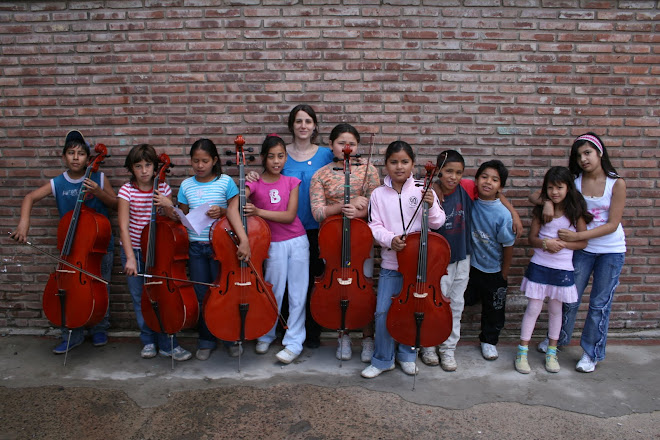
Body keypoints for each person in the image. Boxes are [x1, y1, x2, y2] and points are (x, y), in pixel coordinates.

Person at [11, 130, 117, 354]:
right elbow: (30, 197)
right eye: (71, 153)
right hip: (71, 248)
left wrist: (98, 192)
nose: (76, 157)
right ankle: (71, 332)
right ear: (64, 157)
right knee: (68, 289)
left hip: (99, 245)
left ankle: (99, 327)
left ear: (89, 159)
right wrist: (24, 223)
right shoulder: (58, 182)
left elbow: (115, 204)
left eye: (80, 153)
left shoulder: (98, 178)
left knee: (100, 286)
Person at [532, 133, 626, 373]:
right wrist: (548, 203)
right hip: (581, 251)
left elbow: (612, 224)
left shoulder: (616, 183)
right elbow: (537, 195)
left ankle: (591, 353)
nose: (584, 159)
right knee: (569, 299)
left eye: (588, 153)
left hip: (610, 251)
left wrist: (577, 237)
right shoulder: (573, 182)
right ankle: (559, 339)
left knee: (598, 305)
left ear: (600, 153)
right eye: (579, 155)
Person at [421, 150, 523, 371]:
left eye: (458, 172)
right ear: (438, 171)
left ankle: (448, 349)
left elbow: (494, 192)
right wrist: (435, 188)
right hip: (438, 262)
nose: (453, 177)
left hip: (462, 258)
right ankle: (428, 345)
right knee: (433, 305)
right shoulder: (430, 191)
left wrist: (513, 213)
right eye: (448, 171)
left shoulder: (467, 187)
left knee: (455, 306)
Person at [361, 141, 446, 378]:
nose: (399, 167)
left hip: (419, 266)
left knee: (412, 311)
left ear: (413, 164)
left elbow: (438, 223)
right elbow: (374, 226)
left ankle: (407, 355)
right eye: (394, 162)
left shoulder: (422, 188)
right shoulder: (378, 194)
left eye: (404, 162)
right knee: (383, 312)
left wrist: (432, 206)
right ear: (386, 165)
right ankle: (382, 359)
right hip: (391, 264)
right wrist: (390, 240)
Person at [309, 123, 380, 362]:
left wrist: (360, 210)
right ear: (331, 146)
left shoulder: (369, 170)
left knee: (363, 288)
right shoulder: (321, 174)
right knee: (340, 287)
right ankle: (343, 335)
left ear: (357, 146)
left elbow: (378, 204)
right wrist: (342, 206)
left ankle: (368, 337)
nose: (346, 147)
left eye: (351, 143)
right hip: (332, 240)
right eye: (341, 143)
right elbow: (318, 212)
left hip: (361, 241)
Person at [175, 138, 250, 361]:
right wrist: (173, 212)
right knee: (202, 294)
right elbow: (183, 216)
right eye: (196, 161)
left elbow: (235, 211)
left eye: (205, 161)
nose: (200, 165)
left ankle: (229, 338)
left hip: (221, 247)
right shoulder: (186, 186)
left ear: (214, 160)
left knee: (224, 293)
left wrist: (223, 211)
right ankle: (206, 340)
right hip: (196, 247)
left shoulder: (225, 182)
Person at [118, 144, 192, 361]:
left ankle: (169, 342)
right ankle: (148, 340)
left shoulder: (163, 189)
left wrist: (168, 204)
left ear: (155, 167)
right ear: (131, 169)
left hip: (159, 253)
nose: (144, 171)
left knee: (163, 297)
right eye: (138, 166)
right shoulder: (126, 190)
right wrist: (131, 258)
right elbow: (123, 226)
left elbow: (175, 220)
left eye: (148, 165)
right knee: (140, 297)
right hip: (134, 251)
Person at [515, 166, 591, 374]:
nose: (554, 192)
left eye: (559, 187)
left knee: (556, 310)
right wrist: (546, 244)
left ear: (568, 188)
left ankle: (552, 351)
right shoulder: (542, 211)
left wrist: (565, 244)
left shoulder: (575, 213)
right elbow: (532, 239)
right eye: (550, 188)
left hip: (562, 269)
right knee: (533, 309)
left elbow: (583, 242)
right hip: (540, 266)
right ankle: (522, 351)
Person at [243, 134, 309, 364]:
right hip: (272, 244)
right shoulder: (255, 182)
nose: (276, 161)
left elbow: (290, 216)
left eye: (281, 156)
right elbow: (239, 199)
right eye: (271, 156)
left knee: (298, 294)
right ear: (263, 158)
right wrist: (245, 180)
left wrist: (258, 212)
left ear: (286, 158)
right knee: (273, 291)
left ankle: (294, 342)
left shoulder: (292, 182)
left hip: (298, 241)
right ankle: (266, 333)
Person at [464, 159, 516, 362]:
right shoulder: (470, 201)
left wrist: (504, 273)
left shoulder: (502, 213)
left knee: (494, 309)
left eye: (495, 180)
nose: (488, 182)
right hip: (471, 267)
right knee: (463, 300)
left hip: (494, 270)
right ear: (476, 180)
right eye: (484, 177)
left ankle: (489, 341)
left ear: (500, 187)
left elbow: (508, 245)